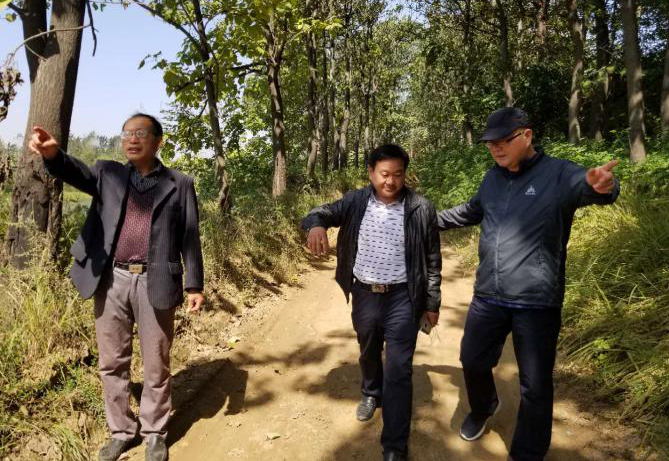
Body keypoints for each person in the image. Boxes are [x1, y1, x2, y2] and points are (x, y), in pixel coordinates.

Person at [438, 107, 620, 461]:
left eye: (504, 140)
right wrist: (425, 219)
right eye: (490, 143)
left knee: (535, 386)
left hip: (536, 302)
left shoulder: (558, 174)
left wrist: (602, 186)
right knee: (472, 359)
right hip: (488, 294)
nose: (495, 148)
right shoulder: (492, 179)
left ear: (527, 136)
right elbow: (469, 211)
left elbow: (594, 186)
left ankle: (528, 452)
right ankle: (484, 406)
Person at [29, 114, 205, 461]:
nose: (132, 139)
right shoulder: (107, 173)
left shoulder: (180, 183)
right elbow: (76, 172)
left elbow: (190, 236)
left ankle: (154, 432)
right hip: (111, 280)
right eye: (127, 133)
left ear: (158, 141)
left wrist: (194, 285)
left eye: (141, 133)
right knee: (112, 361)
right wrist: (53, 155)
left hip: (157, 279)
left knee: (156, 363)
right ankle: (122, 430)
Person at [301, 144, 442, 461]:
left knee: (399, 369)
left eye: (398, 174)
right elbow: (320, 212)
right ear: (371, 172)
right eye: (384, 174)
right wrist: (316, 225)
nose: (390, 181)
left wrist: (432, 304)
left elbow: (433, 260)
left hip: (404, 298)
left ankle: (394, 446)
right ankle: (370, 392)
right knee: (368, 349)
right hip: (365, 294)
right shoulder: (355, 201)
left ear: (405, 174)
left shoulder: (421, 208)